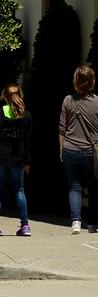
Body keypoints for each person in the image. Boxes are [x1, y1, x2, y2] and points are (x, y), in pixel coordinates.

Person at [0, 83, 32, 236]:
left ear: (4, 97)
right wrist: (27, 161)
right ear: (20, 95)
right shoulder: (26, 116)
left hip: (0, 156)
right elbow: (27, 141)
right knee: (19, 191)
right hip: (18, 158)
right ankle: (25, 226)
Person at [61, 64, 98, 234]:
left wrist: (61, 149)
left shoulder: (68, 100)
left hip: (70, 148)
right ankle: (91, 224)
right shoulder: (97, 102)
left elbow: (62, 128)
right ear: (92, 82)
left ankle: (76, 221)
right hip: (92, 151)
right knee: (93, 187)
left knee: (74, 187)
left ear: (75, 82)